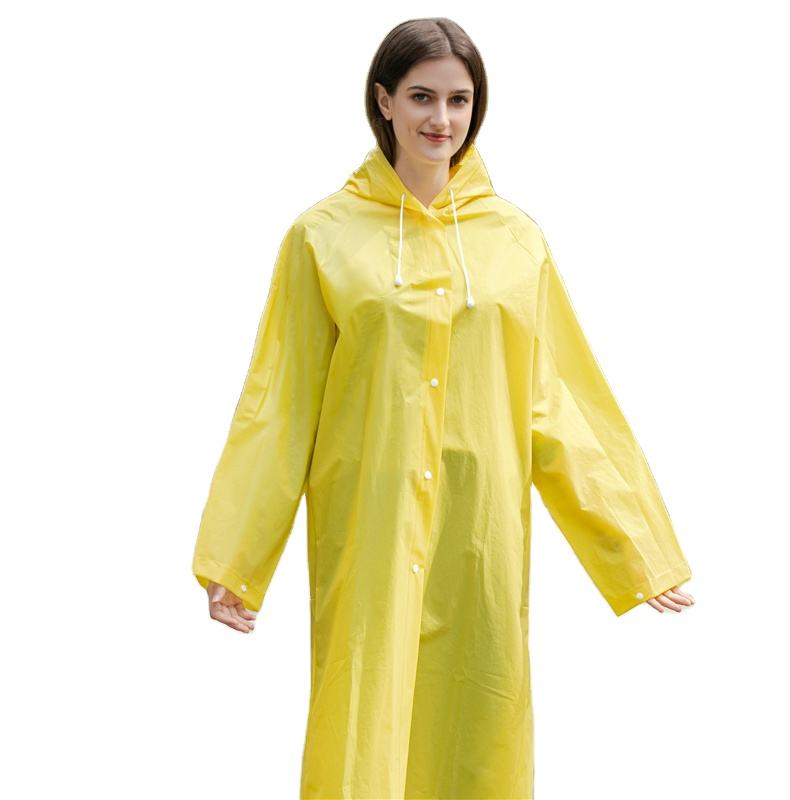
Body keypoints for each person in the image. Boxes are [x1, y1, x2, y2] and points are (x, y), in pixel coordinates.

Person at [191, 16, 695, 799]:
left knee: (476, 718)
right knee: (365, 714)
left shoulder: (514, 240)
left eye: (460, 100)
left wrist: (637, 546)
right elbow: (280, 403)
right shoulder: (322, 237)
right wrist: (237, 558)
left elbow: (559, 399)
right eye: (422, 96)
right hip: (372, 519)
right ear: (383, 101)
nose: (442, 118)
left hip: (479, 525)